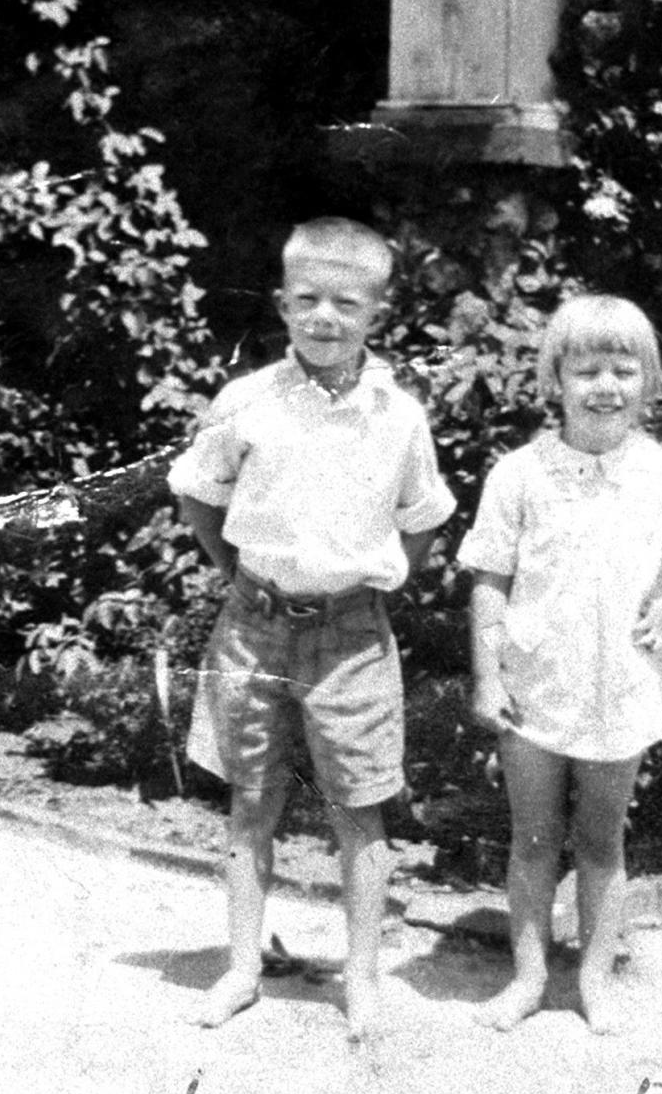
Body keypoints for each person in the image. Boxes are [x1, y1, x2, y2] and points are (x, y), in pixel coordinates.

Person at [168, 217, 454, 1039]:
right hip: (252, 629)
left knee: (360, 809)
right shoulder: (246, 401)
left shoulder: (398, 415)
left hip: (352, 638)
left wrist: (370, 589)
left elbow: (424, 517)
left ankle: (360, 978)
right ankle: (241, 968)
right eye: (308, 300)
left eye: (347, 303)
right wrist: (234, 576)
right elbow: (199, 490)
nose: (326, 317)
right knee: (250, 803)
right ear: (282, 304)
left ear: (377, 313)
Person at [459, 294, 662, 1033]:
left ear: (649, 380)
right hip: (535, 687)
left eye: (623, 369)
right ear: (555, 380)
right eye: (587, 370)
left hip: (624, 688)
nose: (605, 386)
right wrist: (487, 676)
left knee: (603, 843)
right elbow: (488, 576)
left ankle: (594, 983)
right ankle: (527, 980)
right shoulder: (519, 474)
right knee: (534, 839)